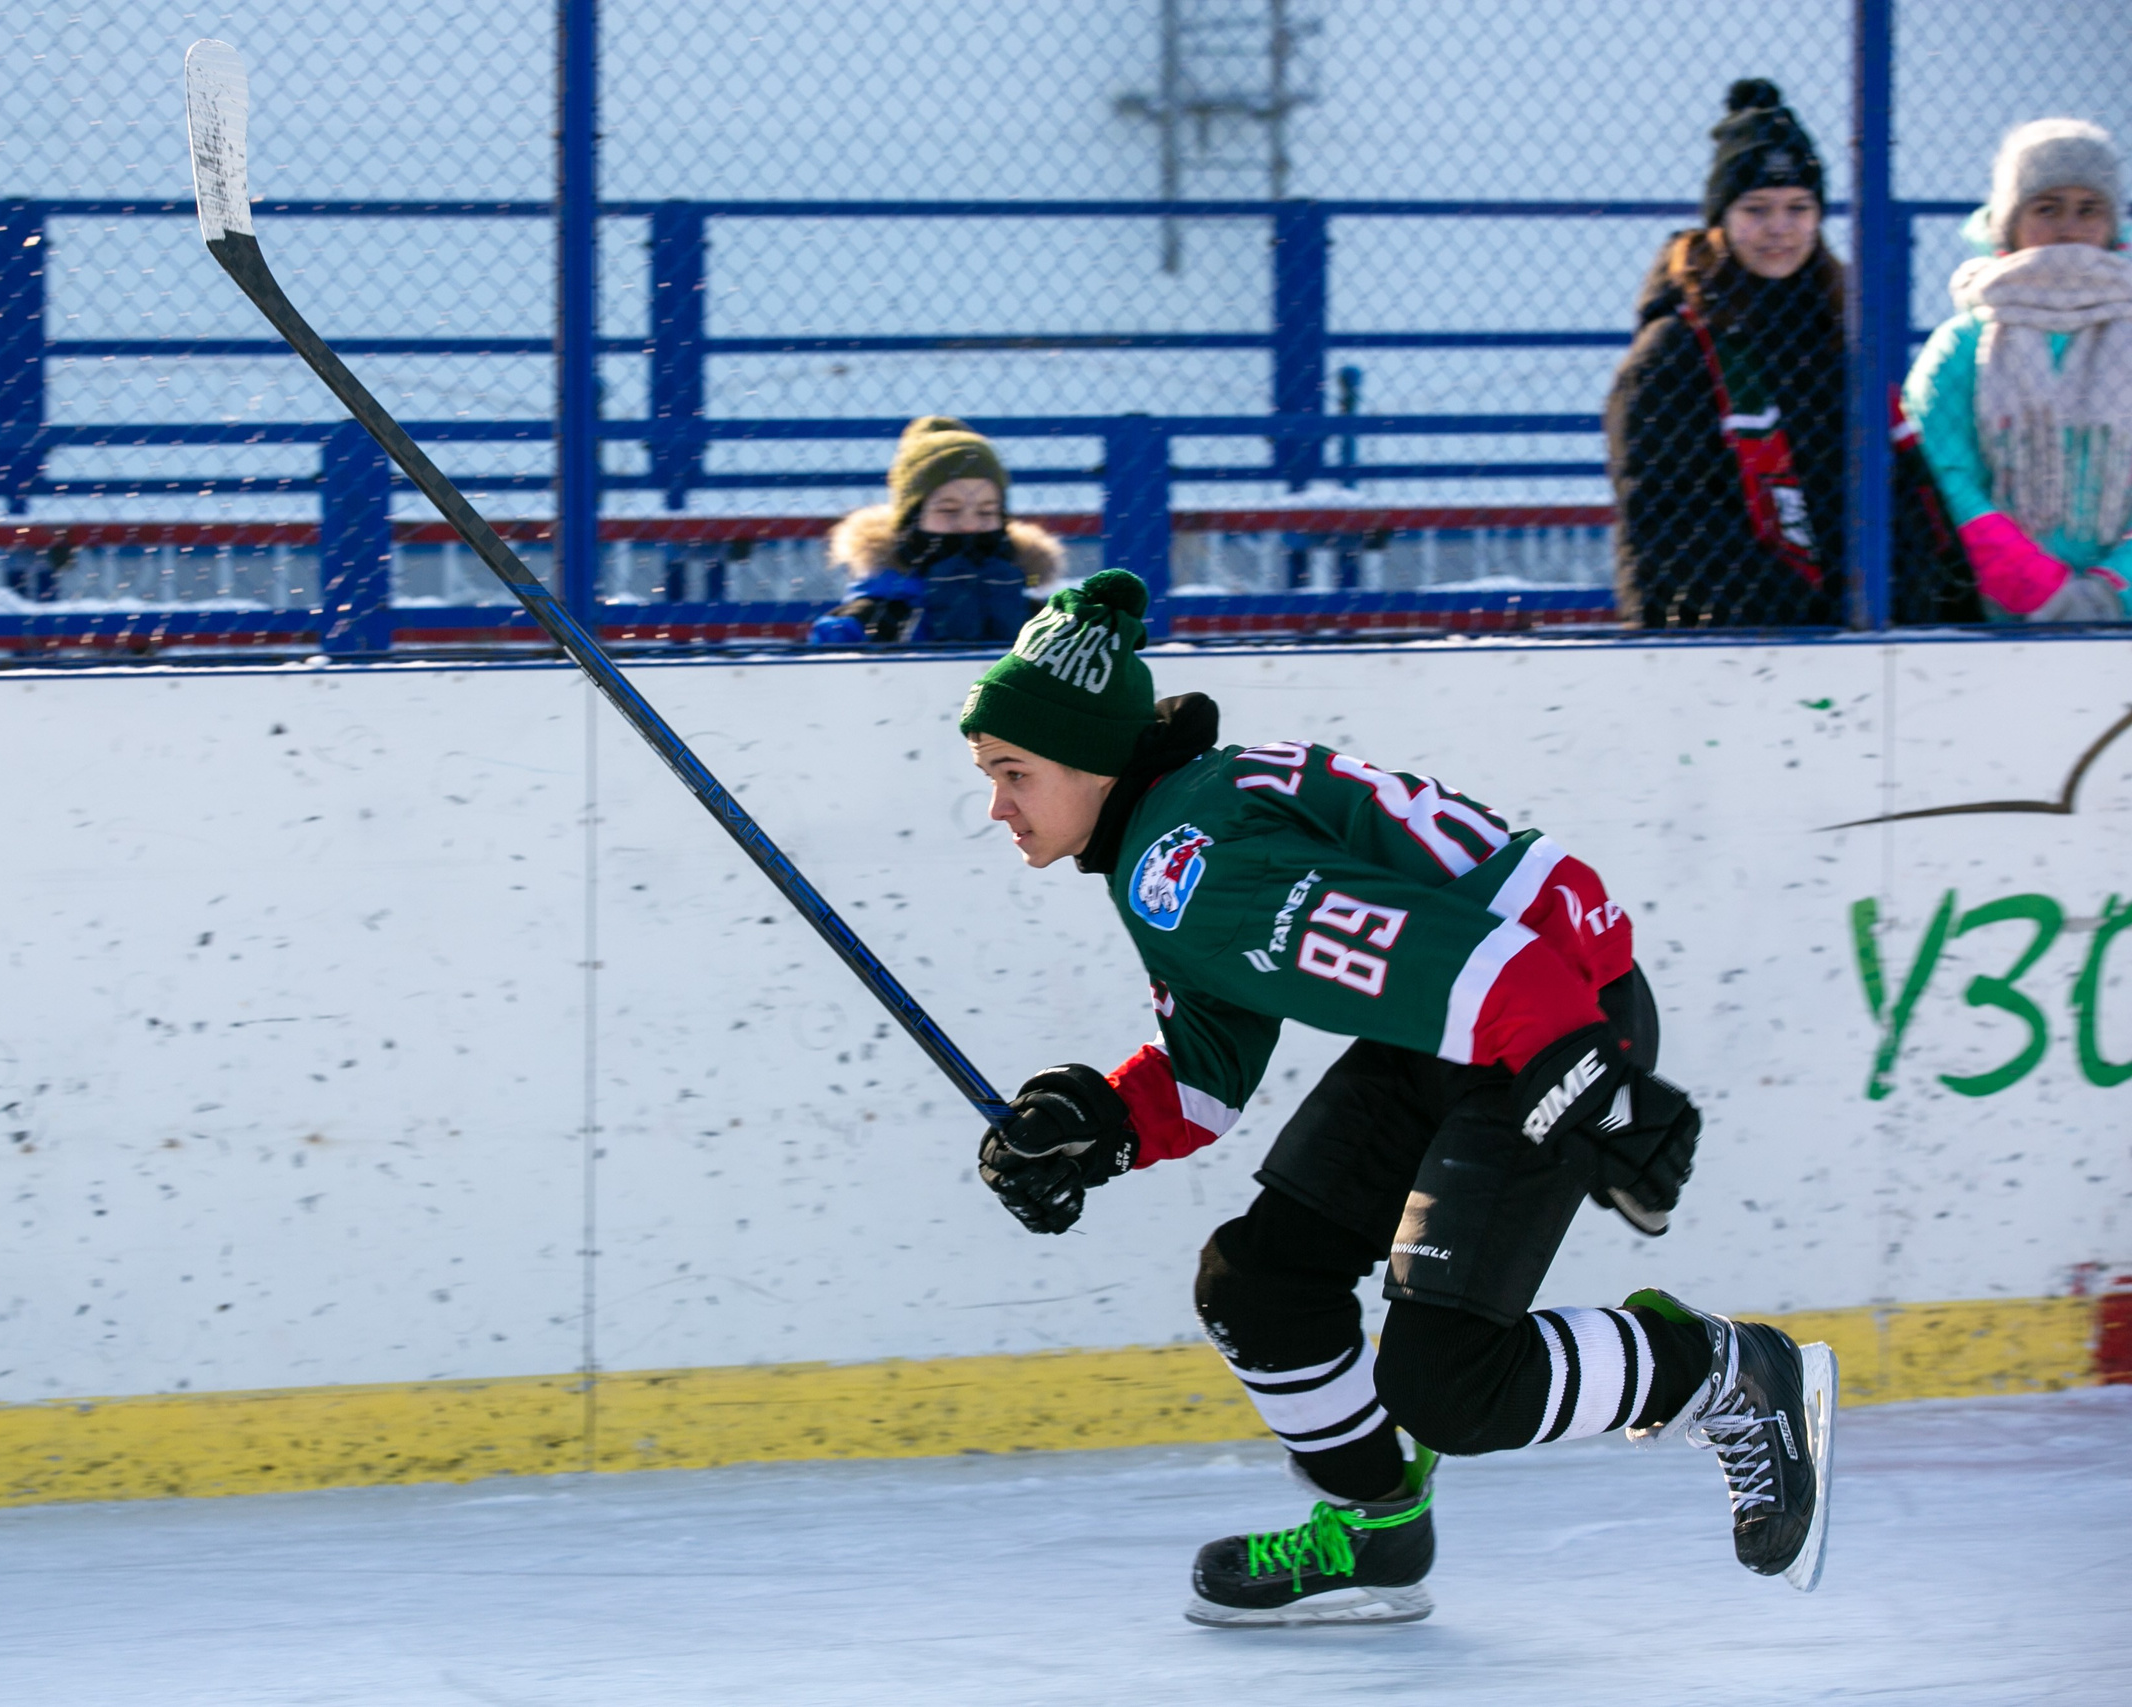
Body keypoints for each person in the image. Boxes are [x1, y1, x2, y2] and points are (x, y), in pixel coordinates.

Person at [958, 569, 1836, 1626]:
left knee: (1449, 1385)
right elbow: (1207, 1066)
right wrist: (1094, 1122)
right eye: (989, 775)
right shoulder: (1177, 825)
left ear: (1093, 760)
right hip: (1471, 1022)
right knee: (1259, 1285)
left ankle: (1724, 1370)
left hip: (1543, 1020)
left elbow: (1457, 955)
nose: (997, 806)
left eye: (1014, 773)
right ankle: (1375, 1530)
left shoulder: (1182, 863)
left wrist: (1582, 1072)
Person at [1606, 79, 1978, 627]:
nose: (1779, 228)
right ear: (1722, 219)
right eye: (1756, 209)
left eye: (1798, 208)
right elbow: (1668, 521)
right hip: (1723, 637)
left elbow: (1900, 489)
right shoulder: (1675, 351)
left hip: (1859, 628)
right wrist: (1801, 611)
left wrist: (1922, 594)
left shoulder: (1842, 336)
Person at [1904, 119, 2132, 624]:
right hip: (1992, 621)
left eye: (2089, 209)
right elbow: (1944, 476)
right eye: (2047, 208)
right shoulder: (1962, 345)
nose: (2069, 227)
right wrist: (2038, 589)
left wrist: (2113, 591)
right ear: (2008, 223)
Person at [808, 416, 1061, 645]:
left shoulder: (1043, 621)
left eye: (986, 512)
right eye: (948, 510)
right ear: (911, 520)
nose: (970, 525)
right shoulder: (865, 625)